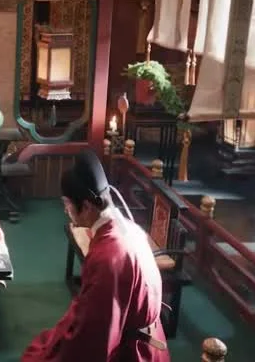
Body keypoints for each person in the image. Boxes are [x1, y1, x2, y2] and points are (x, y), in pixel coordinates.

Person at [22, 150, 169, 362]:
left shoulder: (109, 258)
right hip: (142, 336)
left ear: (87, 206)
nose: (65, 210)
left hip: (131, 352)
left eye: (67, 204)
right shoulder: (128, 228)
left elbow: (95, 337)